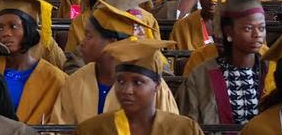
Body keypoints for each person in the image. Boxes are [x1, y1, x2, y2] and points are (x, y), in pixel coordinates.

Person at [52, 0, 178, 124]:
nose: (82, 43)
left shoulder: (151, 86)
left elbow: (170, 128)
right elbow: (58, 129)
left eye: (89, 36)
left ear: (111, 43)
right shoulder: (76, 82)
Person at [74, 38, 204, 135]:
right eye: (120, 81)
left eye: (138, 82)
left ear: (157, 85)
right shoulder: (91, 130)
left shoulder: (184, 130)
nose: (127, 90)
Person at [177, 0, 269, 125]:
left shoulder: (273, 69)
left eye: (261, 28)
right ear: (228, 31)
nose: (257, 35)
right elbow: (189, 125)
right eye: (248, 28)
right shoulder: (202, 75)